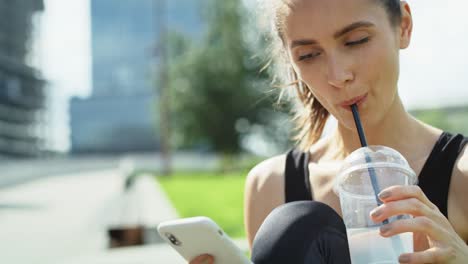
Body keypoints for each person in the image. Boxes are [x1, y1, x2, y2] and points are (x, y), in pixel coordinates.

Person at [190, 0, 468, 263]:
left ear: (404, 26)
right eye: (309, 55)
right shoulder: (270, 188)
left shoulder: (462, 175)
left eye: (356, 40)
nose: (337, 76)